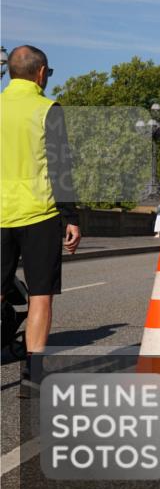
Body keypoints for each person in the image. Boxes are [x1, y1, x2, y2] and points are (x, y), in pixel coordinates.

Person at [1, 46, 82, 396]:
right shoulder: (48, 109)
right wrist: (71, 217)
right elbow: (60, 165)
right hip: (40, 214)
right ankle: (32, 378)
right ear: (40, 72)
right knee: (40, 295)